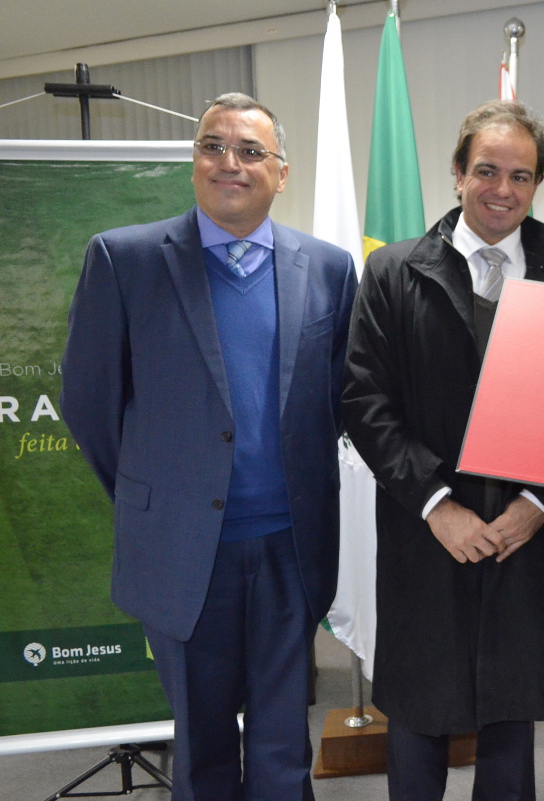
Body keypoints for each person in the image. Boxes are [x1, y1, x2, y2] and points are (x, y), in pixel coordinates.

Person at [60, 92, 357, 799]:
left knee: (286, 744)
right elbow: (91, 405)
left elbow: (338, 401)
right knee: (204, 744)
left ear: (282, 173)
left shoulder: (330, 268)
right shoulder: (123, 260)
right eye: (213, 146)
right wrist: (161, 495)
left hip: (291, 547)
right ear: (194, 163)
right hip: (185, 553)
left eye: (251, 151)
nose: (231, 162)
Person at [341, 100, 544, 801]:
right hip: (426, 532)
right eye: (486, 170)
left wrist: (537, 506)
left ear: (537, 183)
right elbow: (365, 401)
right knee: (419, 713)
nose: (502, 189)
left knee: (510, 720)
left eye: (521, 174)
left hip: (522, 537)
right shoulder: (392, 273)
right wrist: (436, 503)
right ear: (456, 173)